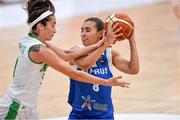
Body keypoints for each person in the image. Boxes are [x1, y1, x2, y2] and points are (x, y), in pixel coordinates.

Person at [0, 0, 129, 119]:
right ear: (40, 26)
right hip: (15, 108)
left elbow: (66, 54)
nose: (55, 30)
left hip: (27, 107)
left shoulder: (29, 39)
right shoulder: (41, 50)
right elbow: (74, 73)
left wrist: (100, 44)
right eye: (53, 25)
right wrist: (107, 82)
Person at [47, 17, 139, 119]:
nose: (83, 33)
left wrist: (132, 40)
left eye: (88, 30)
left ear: (100, 33)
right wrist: (105, 44)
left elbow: (133, 69)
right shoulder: (76, 50)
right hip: (80, 115)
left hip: (104, 115)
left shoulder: (110, 54)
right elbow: (85, 64)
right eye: (82, 30)